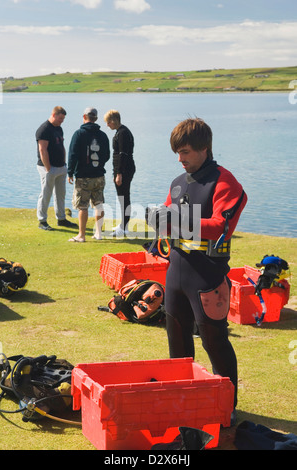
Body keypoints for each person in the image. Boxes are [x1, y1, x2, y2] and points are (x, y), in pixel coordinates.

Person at [146, 118, 247, 424]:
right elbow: (166, 216)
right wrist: (158, 227)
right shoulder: (178, 182)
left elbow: (222, 227)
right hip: (176, 273)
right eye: (177, 152)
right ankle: (182, 398)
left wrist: (175, 221)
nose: (181, 158)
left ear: (204, 148)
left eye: (186, 151)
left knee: (214, 341)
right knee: (176, 339)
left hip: (206, 277)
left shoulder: (225, 182)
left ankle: (226, 407)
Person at [67, 107, 110, 242]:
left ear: (84, 116)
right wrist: (99, 165)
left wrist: (70, 172)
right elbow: (107, 155)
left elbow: (72, 155)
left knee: (83, 206)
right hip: (99, 176)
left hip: (83, 176)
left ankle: (81, 235)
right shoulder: (103, 135)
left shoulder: (79, 134)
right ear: (96, 119)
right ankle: (98, 233)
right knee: (99, 204)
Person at [36, 105, 77, 231]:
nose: (61, 121)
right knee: (46, 194)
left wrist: (64, 163)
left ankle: (61, 219)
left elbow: (62, 145)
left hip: (60, 167)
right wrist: (48, 169)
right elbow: (42, 150)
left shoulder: (59, 128)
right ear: (53, 115)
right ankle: (42, 221)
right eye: (60, 118)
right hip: (48, 168)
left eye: (63, 119)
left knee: (60, 194)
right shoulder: (44, 129)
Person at [104, 110, 135, 236]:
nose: (107, 125)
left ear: (113, 121)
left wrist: (119, 174)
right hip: (122, 169)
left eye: (108, 122)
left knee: (124, 197)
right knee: (122, 197)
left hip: (125, 169)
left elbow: (123, 154)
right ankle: (123, 224)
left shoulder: (122, 133)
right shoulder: (121, 131)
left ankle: (124, 227)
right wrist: (116, 172)